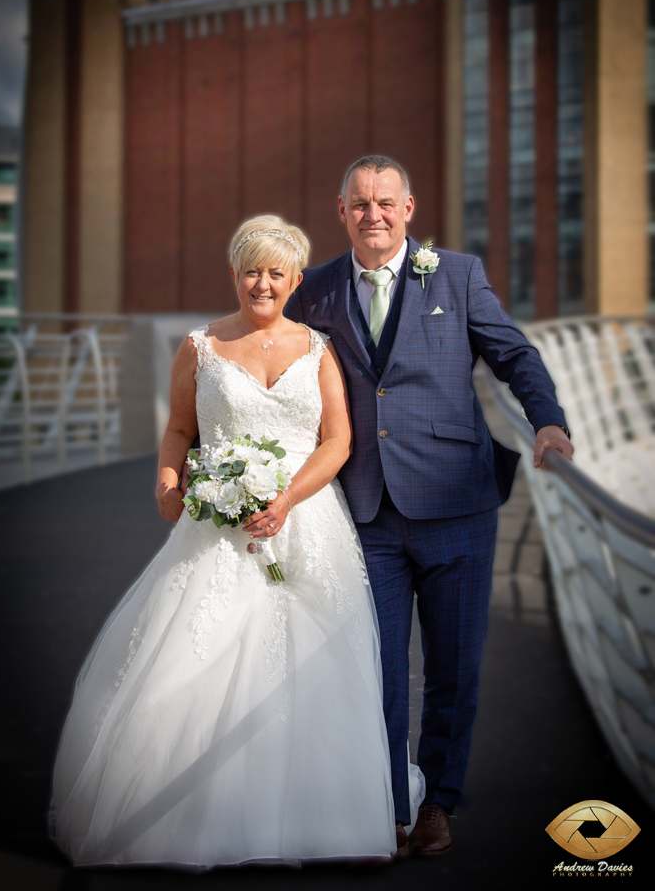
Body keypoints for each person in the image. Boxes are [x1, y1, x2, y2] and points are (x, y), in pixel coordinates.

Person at [50, 215, 424, 868]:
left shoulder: (318, 348)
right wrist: (169, 484)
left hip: (307, 527)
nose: (263, 283)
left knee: (315, 664)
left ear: (295, 281)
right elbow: (177, 430)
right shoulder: (200, 347)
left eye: (276, 273)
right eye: (252, 269)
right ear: (235, 274)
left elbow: (337, 440)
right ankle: (185, 817)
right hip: (217, 531)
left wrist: (285, 500)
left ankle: (323, 819)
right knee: (196, 657)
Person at [285, 155, 574, 857]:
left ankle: (439, 802)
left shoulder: (458, 274)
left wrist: (548, 419)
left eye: (386, 202)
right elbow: (278, 367)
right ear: (341, 210)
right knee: (377, 668)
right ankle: (387, 803)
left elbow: (514, 354)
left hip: (458, 508)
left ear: (409, 209)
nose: (373, 214)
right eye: (360, 203)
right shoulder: (314, 290)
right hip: (366, 512)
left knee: (453, 667)